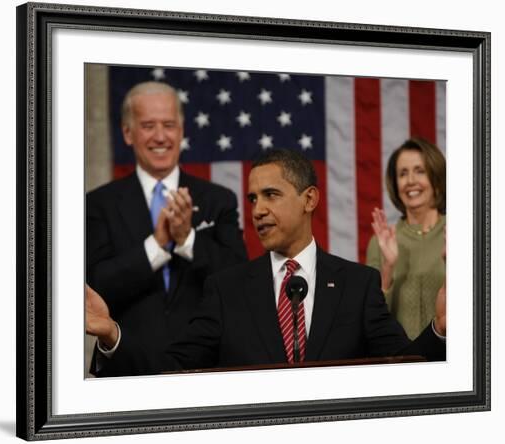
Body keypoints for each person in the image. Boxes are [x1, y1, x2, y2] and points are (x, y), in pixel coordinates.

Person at [87, 149, 445, 376]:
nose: (257, 210)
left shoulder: (358, 284)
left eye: (271, 195)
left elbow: (404, 368)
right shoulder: (225, 289)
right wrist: (112, 334)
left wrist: (440, 329)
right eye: (253, 198)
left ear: (309, 199)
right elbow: (170, 369)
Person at [86, 81, 247, 375]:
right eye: (148, 125)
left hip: (205, 369)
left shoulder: (219, 199)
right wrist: (157, 244)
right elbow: (95, 287)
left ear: (182, 131)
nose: (160, 136)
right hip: (125, 366)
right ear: (127, 133)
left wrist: (187, 239)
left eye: (169, 125)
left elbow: (239, 281)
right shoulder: (97, 204)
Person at [367, 138, 446, 340]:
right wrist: (388, 269)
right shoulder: (380, 242)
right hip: (399, 360)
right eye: (403, 173)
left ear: (436, 177)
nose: (410, 180)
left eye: (420, 171)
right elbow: (370, 318)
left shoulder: (461, 232)